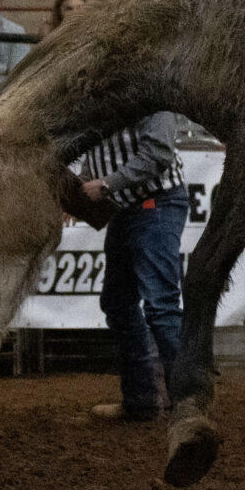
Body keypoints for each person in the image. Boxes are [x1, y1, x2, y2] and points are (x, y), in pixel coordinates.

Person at [79, 112, 190, 422]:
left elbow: (158, 154)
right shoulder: (103, 98)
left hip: (158, 202)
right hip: (128, 206)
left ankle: (189, 405)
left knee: (161, 305)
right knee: (119, 303)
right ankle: (141, 401)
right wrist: (84, 190)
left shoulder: (150, 95)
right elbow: (95, 153)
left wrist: (105, 184)